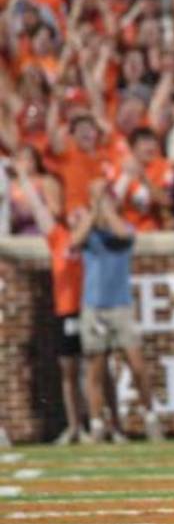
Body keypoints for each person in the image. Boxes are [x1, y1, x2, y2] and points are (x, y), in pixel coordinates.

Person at [78, 180, 163, 442]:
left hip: (120, 305)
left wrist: (105, 206)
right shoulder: (88, 232)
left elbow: (122, 234)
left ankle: (150, 416)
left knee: (136, 364)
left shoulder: (123, 227)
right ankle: (96, 424)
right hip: (94, 306)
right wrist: (94, 210)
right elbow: (74, 240)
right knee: (97, 369)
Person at [17, 162, 87, 443]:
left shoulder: (91, 236)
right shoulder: (59, 237)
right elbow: (38, 209)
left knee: (95, 370)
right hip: (66, 310)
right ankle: (75, 426)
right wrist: (23, 179)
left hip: (90, 309)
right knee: (69, 370)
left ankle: (99, 422)